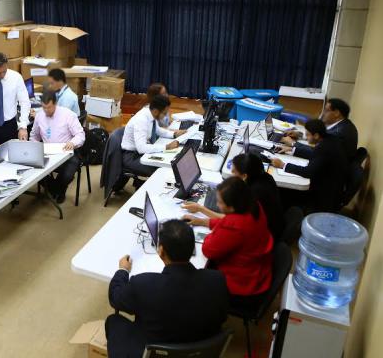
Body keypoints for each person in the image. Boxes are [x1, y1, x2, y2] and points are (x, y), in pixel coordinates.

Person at [106, 220, 229, 357]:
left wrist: (123, 270)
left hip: (155, 350)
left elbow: (115, 297)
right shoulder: (218, 279)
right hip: (203, 349)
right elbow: (222, 317)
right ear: (192, 248)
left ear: (161, 251)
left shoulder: (143, 284)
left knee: (113, 321)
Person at [185, 177, 274, 306]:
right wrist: (204, 222)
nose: (217, 205)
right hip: (259, 271)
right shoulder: (253, 205)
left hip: (243, 284)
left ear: (232, 207)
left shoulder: (234, 225)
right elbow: (230, 222)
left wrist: (213, 232)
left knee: (193, 280)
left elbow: (208, 250)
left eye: (220, 202)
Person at [183, 153, 284, 240]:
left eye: (234, 172)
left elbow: (232, 221)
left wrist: (201, 210)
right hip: (267, 230)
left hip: (263, 236)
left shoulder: (254, 194)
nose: (231, 174)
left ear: (244, 176)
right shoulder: (265, 177)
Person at [272, 119, 348, 214]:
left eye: (307, 134)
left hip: (324, 194)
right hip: (333, 185)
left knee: (281, 191)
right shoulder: (330, 139)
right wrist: (291, 150)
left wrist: (283, 165)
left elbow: (308, 172)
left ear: (316, 135)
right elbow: (315, 154)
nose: (306, 138)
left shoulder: (324, 148)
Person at [30, 90, 85, 203]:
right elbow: (34, 136)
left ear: (55, 104)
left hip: (66, 153)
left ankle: (56, 190)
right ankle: (57, 190)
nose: (46, 111)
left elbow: (80, 135)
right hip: (47, 153)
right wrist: (35, 147)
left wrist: (73, 143)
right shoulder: (40, 116)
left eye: (49, 107)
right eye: (44, 108)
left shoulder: (68, 115)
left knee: (68, 172)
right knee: (32, 171)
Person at [121, 94, 186, 177]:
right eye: (164, 113)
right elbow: (141, 148)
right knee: (161, 170)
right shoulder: (141, 120)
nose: (165, 116)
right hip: (132, 157)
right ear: (156, 111)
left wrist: (174, 134)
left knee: (169, 161)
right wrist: (166, 147)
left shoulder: (150, 114)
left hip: (141, 153)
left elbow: (157, 130)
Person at [282, 98, 358, 160]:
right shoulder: (344, 124)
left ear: (336, 113)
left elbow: (316, 153)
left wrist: (293, 144)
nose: (323, 113)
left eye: (326, 110)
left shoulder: (339, 133)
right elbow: (322, 135)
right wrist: (300, 135)